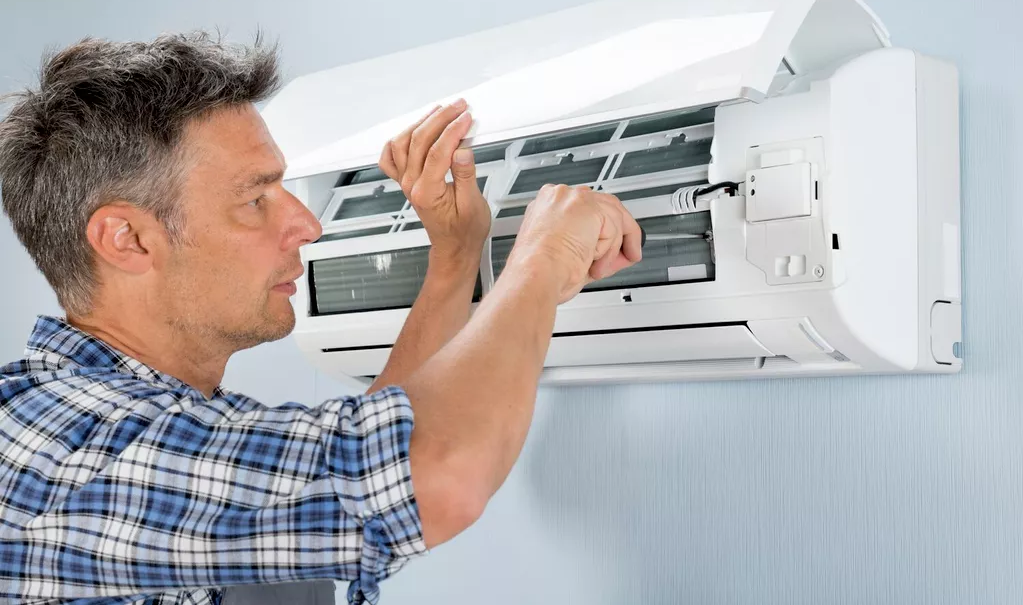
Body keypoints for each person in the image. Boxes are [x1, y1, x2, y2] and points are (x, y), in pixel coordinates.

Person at [0, 32, 642, 605]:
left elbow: (360, 475)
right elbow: (431, 477)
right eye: (254, 200)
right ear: (128, 240)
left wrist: (455, 257)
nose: (306, 225)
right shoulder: (48, 446)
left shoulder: (180, 423)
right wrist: (545, 259)